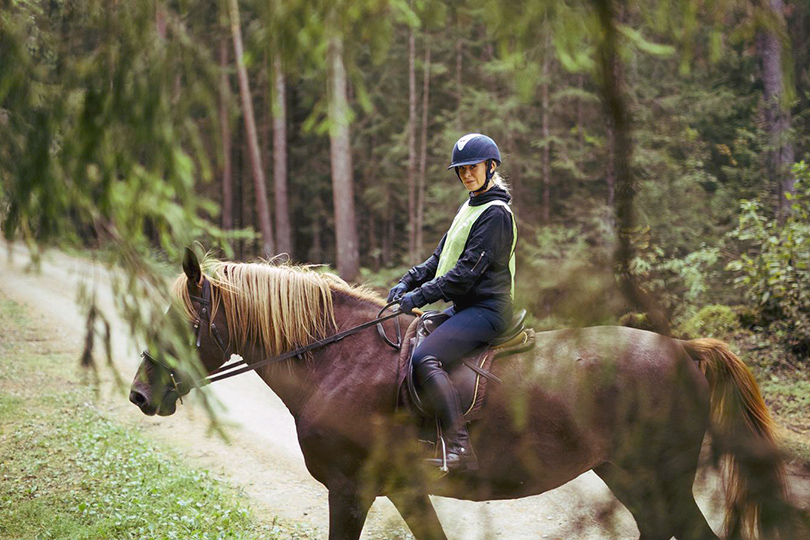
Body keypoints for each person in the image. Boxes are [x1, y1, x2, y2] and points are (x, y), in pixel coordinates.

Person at [387, 133, 517, 472]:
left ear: (491, 167)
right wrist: (408, 280)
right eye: (461, 171)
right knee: (413, 334)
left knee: (426, 356)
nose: (466, 176)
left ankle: (459, 446)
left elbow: (462, 275)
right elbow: (440, 257)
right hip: (465, 307)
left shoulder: (496, 214)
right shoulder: (471, 205)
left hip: (489, 310)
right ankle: (422, 434)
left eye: (472, 168)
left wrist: (418, 296)